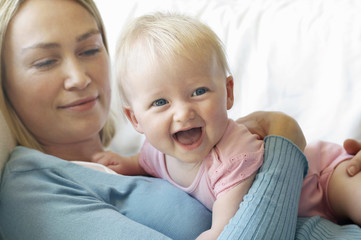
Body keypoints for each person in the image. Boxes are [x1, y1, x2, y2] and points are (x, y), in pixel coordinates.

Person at [0, 1, 360, 240]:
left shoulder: (149, 145)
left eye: (90, 49)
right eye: (45, 61)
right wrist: (284, 135)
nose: (79, 77)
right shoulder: (32, 186)